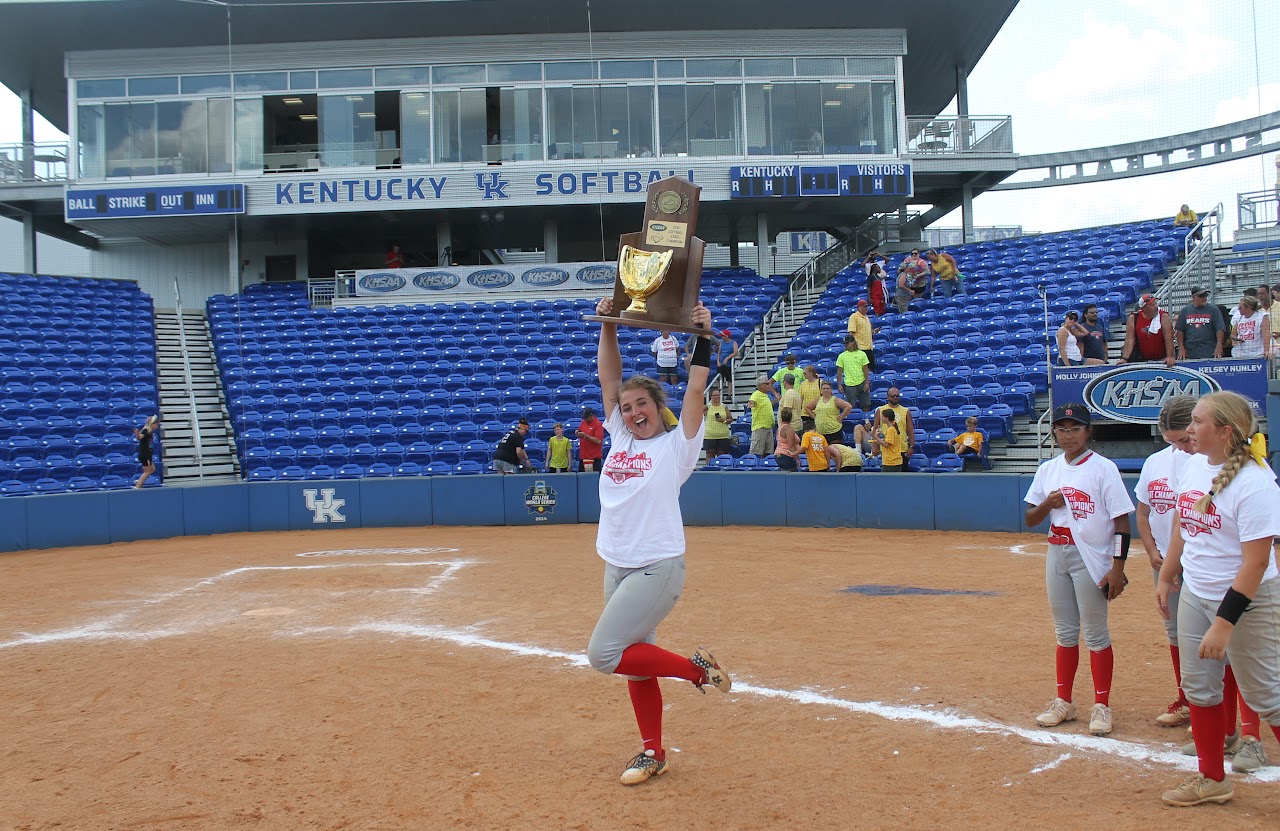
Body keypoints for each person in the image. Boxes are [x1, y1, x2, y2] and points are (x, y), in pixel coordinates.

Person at [586, 296, 731, 787]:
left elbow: (695, 386)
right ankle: (653, 752)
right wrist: (608, 325)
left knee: (604, 655)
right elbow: (610, 378)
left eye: (641, 404)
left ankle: (695, 671)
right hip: (617, 564)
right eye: (626, 408)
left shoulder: (678, 444)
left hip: (657, 567)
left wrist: (704, 337)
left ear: (657, 407)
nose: (631, 412)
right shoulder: (621, 439)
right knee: (634, 666)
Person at [1156, 392, 1280, 805]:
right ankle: (1212, 780)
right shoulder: (1193, 466)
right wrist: (1168, 575)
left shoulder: (1255, 482)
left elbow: (1256, 563)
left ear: (1225, 431)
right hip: (1197, 591)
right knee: (1199, 691)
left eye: (1197, 422)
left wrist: (1224, 625)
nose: (1189, 430)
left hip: (1248, 601)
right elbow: (1182, 523)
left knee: (1267, 697)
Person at [1024, 404, 1134, 737]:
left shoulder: (1103, 468)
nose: (1068, 435)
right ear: (1054, 432)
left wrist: (1117, 567)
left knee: (1096, 633)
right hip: (1057, 552)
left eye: (1075, 428)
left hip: (1091, 555)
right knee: (1065, 632)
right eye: (1062, 429)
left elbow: (1121, 521)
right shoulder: (1049, 468)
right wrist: (1048, 504)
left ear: (1088, 431)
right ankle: (1064, 701)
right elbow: (1030, 517)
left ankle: (1102, 705)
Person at [1135, 396, 1198, 728]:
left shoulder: (1204, 462)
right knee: (1175, 633)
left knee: (1211, 638)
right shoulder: (1156, 462)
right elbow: (1143, 514)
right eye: (1171, 441)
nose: (1179, 447)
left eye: (1184, 439)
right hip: (1164, 563)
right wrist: (1153, 555)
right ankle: (1187, 700)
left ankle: (1228, 719)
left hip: (1200, 566)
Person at [1120, 294, 1176, 366]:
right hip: (1141, 360)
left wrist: (1170, 356)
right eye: (1152, 305)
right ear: (1144, 308)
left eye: (1155, 303)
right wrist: (1125, 358)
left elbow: (1169, 338)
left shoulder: (1163, 316)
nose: (1156, 306)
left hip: (1162, 359)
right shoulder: (1134, 318)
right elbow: (1129, 339)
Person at [1175, 287, 1226, 361]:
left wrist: (1219, 345)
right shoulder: (1185, 311)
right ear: (1193, 297)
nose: (1204, 298)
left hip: (1209, 350)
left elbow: (1219, 329)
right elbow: (1180, 331)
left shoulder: (1213, 310)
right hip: (1190, 351)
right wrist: (1181, 347)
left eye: (1205, 295)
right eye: (1201, 296)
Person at [873, 388, 915, 461]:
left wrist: (911, 446)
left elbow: (910, 430)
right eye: (892, 396)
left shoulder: (906, 411)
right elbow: (875, 429)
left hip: (901, 448)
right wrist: (874, 446)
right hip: (886, 448)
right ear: (888, 397)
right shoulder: (880, 410)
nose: (895, 398)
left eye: (897, 396)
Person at [806, 381, 851, 449]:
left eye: (827, 388)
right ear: (821, 390)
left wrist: (841, 418)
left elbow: (848, 406)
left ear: (831, 390)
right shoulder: (818, 400)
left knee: (835, 452)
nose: (825, 390)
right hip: (820, 432)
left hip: (834, 431)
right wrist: (815, 417)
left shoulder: (835, 400)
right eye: (823, 389)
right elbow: (807, 407)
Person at [835, 335, 871, 411]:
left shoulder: (862, 354)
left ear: (853, 342)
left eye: (847, 343)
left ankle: (866, 420)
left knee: (866, 405)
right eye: (845, 343)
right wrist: (839, 385)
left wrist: (867, 383)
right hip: (849, 384)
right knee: (850, 406)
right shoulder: (842, 356)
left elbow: (865, 369)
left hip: (861, 382)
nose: (846, 345)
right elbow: (839, 371)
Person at [1229, 295, 1271, 360]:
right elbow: (1233, 334)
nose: (1238, 309)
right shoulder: (1239, 317)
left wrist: (1266, 351)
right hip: (1242, 352)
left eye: (1240, 307)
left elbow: (1266, 335)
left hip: (1258, 351)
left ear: (1249, 307)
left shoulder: (1262, 316)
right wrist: (1234, 340)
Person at [745, 375, 777, 456]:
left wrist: (776, 399)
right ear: (762, 385)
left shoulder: (765, 395)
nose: (769, 385)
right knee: (756, 452)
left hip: (768, 427)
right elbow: (751, 402)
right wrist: (750, 403)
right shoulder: (756, 394)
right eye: (767, 384)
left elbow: (769, 405)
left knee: (768, 452)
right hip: (760, 428)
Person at [846, 300, 879, 370]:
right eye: (865, 307)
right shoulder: (854, 316)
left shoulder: (866, 317)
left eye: (867, 307)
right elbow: (851, 333)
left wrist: (873, 332)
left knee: (870, 369)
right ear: (859, 308)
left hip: (869, 348)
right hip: (860, 349)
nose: (866, 308)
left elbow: (864, 331)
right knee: (861, 371)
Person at [895, 249, 930, 313]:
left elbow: (928, 272)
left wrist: (918, 275)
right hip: (909, 284)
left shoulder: (922, 262)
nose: (914, 255)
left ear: (918, 254)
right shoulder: (907, 260)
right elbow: (900, 268)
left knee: (916, 301)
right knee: (906, 301)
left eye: (915, 253)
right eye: (912, 253)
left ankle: (917, 312)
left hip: (919, 284)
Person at [702, 388, 733, 460]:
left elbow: (730, 419)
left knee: (722, 455)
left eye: (718, 395)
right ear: (711, 396)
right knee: (710, 454)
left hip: (723, 435)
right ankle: (709, 469)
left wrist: (723, 421)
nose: (717, 397)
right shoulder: (707, 407)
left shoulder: (724, 406)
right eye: (715, 395)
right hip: (710, 436)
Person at [133, 415, 160, 488]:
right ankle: (138, 486)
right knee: (147, 471)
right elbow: (140, 437)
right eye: (156, 424)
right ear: (152, 424)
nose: (157, 426)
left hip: (147, 453)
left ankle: (140, 480)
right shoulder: (146, 431)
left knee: (153, 469)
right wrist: (137, 434)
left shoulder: (150, 432)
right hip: (144, 454)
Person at [575, 407, 605, 472]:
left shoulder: (598, 424)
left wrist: (586, 436)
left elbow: (598, 440)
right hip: (583, 456)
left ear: (591, 416)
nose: (585, 419)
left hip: (594, 457)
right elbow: (580, 430)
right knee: (582, 478)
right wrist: (577, 432)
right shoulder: (583, 422)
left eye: (586, 417)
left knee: (593, 477)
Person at [714, 329, 738, 403]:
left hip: (728, 364)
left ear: (726, 336)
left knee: (729, 379)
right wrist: (718, 361)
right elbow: (719, 353)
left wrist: (727, 358)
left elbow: (735, 352)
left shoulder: (733, 343)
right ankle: (720, 394)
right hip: (721, 363)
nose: (722, 338)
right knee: (719, 378)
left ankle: (729, 394)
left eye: (723, 336)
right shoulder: (721, 343)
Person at [797, 365, 822, 432]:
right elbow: (801, 399)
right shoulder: (803, 384)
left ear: (811, 373)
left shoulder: (820, 383)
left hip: (817, 413)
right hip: (805, 414)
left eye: (805, 373)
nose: (804, 375)